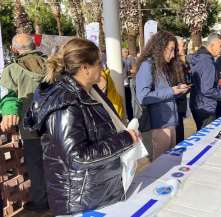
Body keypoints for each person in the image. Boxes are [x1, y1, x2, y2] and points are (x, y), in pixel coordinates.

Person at [23, 38, 139, 215]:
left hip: (98, 193)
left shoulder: (89, 91)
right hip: (79, 202)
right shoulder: (65, 102)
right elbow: (77, 157)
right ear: (85, 67)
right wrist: (125, 139)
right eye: (99, 63)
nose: (103, 67)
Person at [0, 33, 48, 211]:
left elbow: (7, 95)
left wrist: (8, 112)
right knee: (57, 163)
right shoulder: (52, 64)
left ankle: (41, 203)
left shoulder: (11, 70)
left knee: (36, 166)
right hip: (57, 126)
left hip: (30, 129)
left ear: (14, 50)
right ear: (34, 46)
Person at [136, 31, 189, 160]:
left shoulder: (164, 67)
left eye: (174, 50)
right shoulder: (147, 65)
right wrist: (172, 91)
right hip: (159, 126)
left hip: (171, 123)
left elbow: (165, 95)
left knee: (170, 163)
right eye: (170, 50)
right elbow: (143, 96)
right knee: (161, 167)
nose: (172, 55)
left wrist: (178, 91)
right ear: (160, 47)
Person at [189, 33, 221, 129]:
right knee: (205, 138)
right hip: (206, 107)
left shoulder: (199, 57)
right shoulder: (207, 62)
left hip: (197, 104)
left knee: (201, 135)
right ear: (212, 45)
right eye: (220, 46)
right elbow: (206, 89)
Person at [175, 36, 189, 143]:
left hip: (181, 103)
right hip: (176, 104)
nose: (184, 48)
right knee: (178, 137)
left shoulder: (182, 61)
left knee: (180, 135)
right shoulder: (174, 63)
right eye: (182, 45)